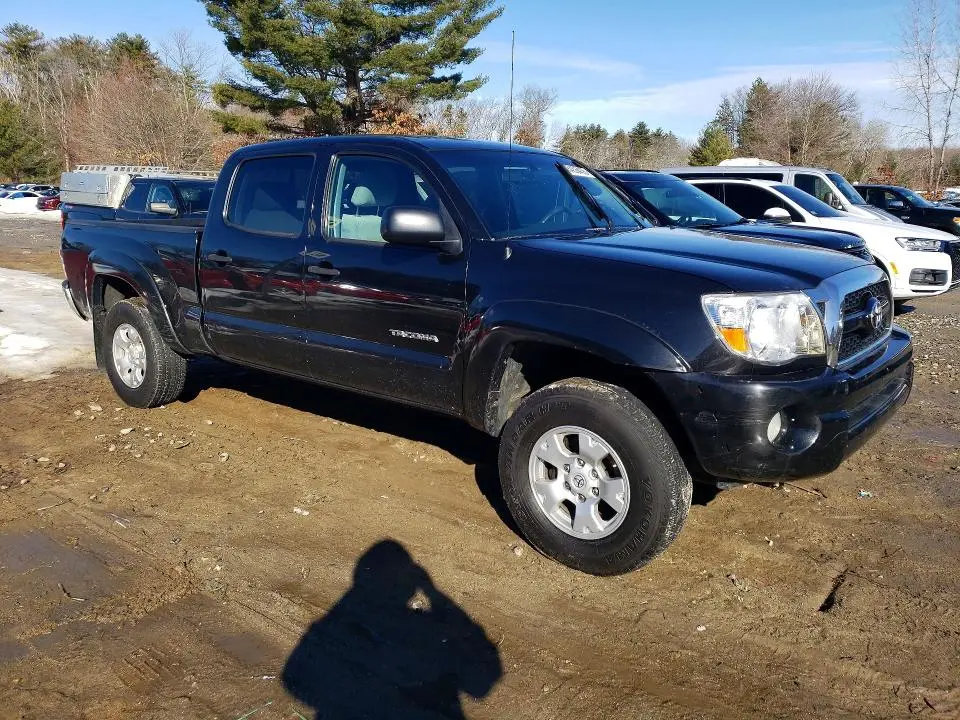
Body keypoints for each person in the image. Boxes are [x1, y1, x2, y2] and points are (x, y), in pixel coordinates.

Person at [282, 540, 502, 719]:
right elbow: (482, 683)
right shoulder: (427, 630)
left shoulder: (337, 622)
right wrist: (433, 593)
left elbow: (294, 679)